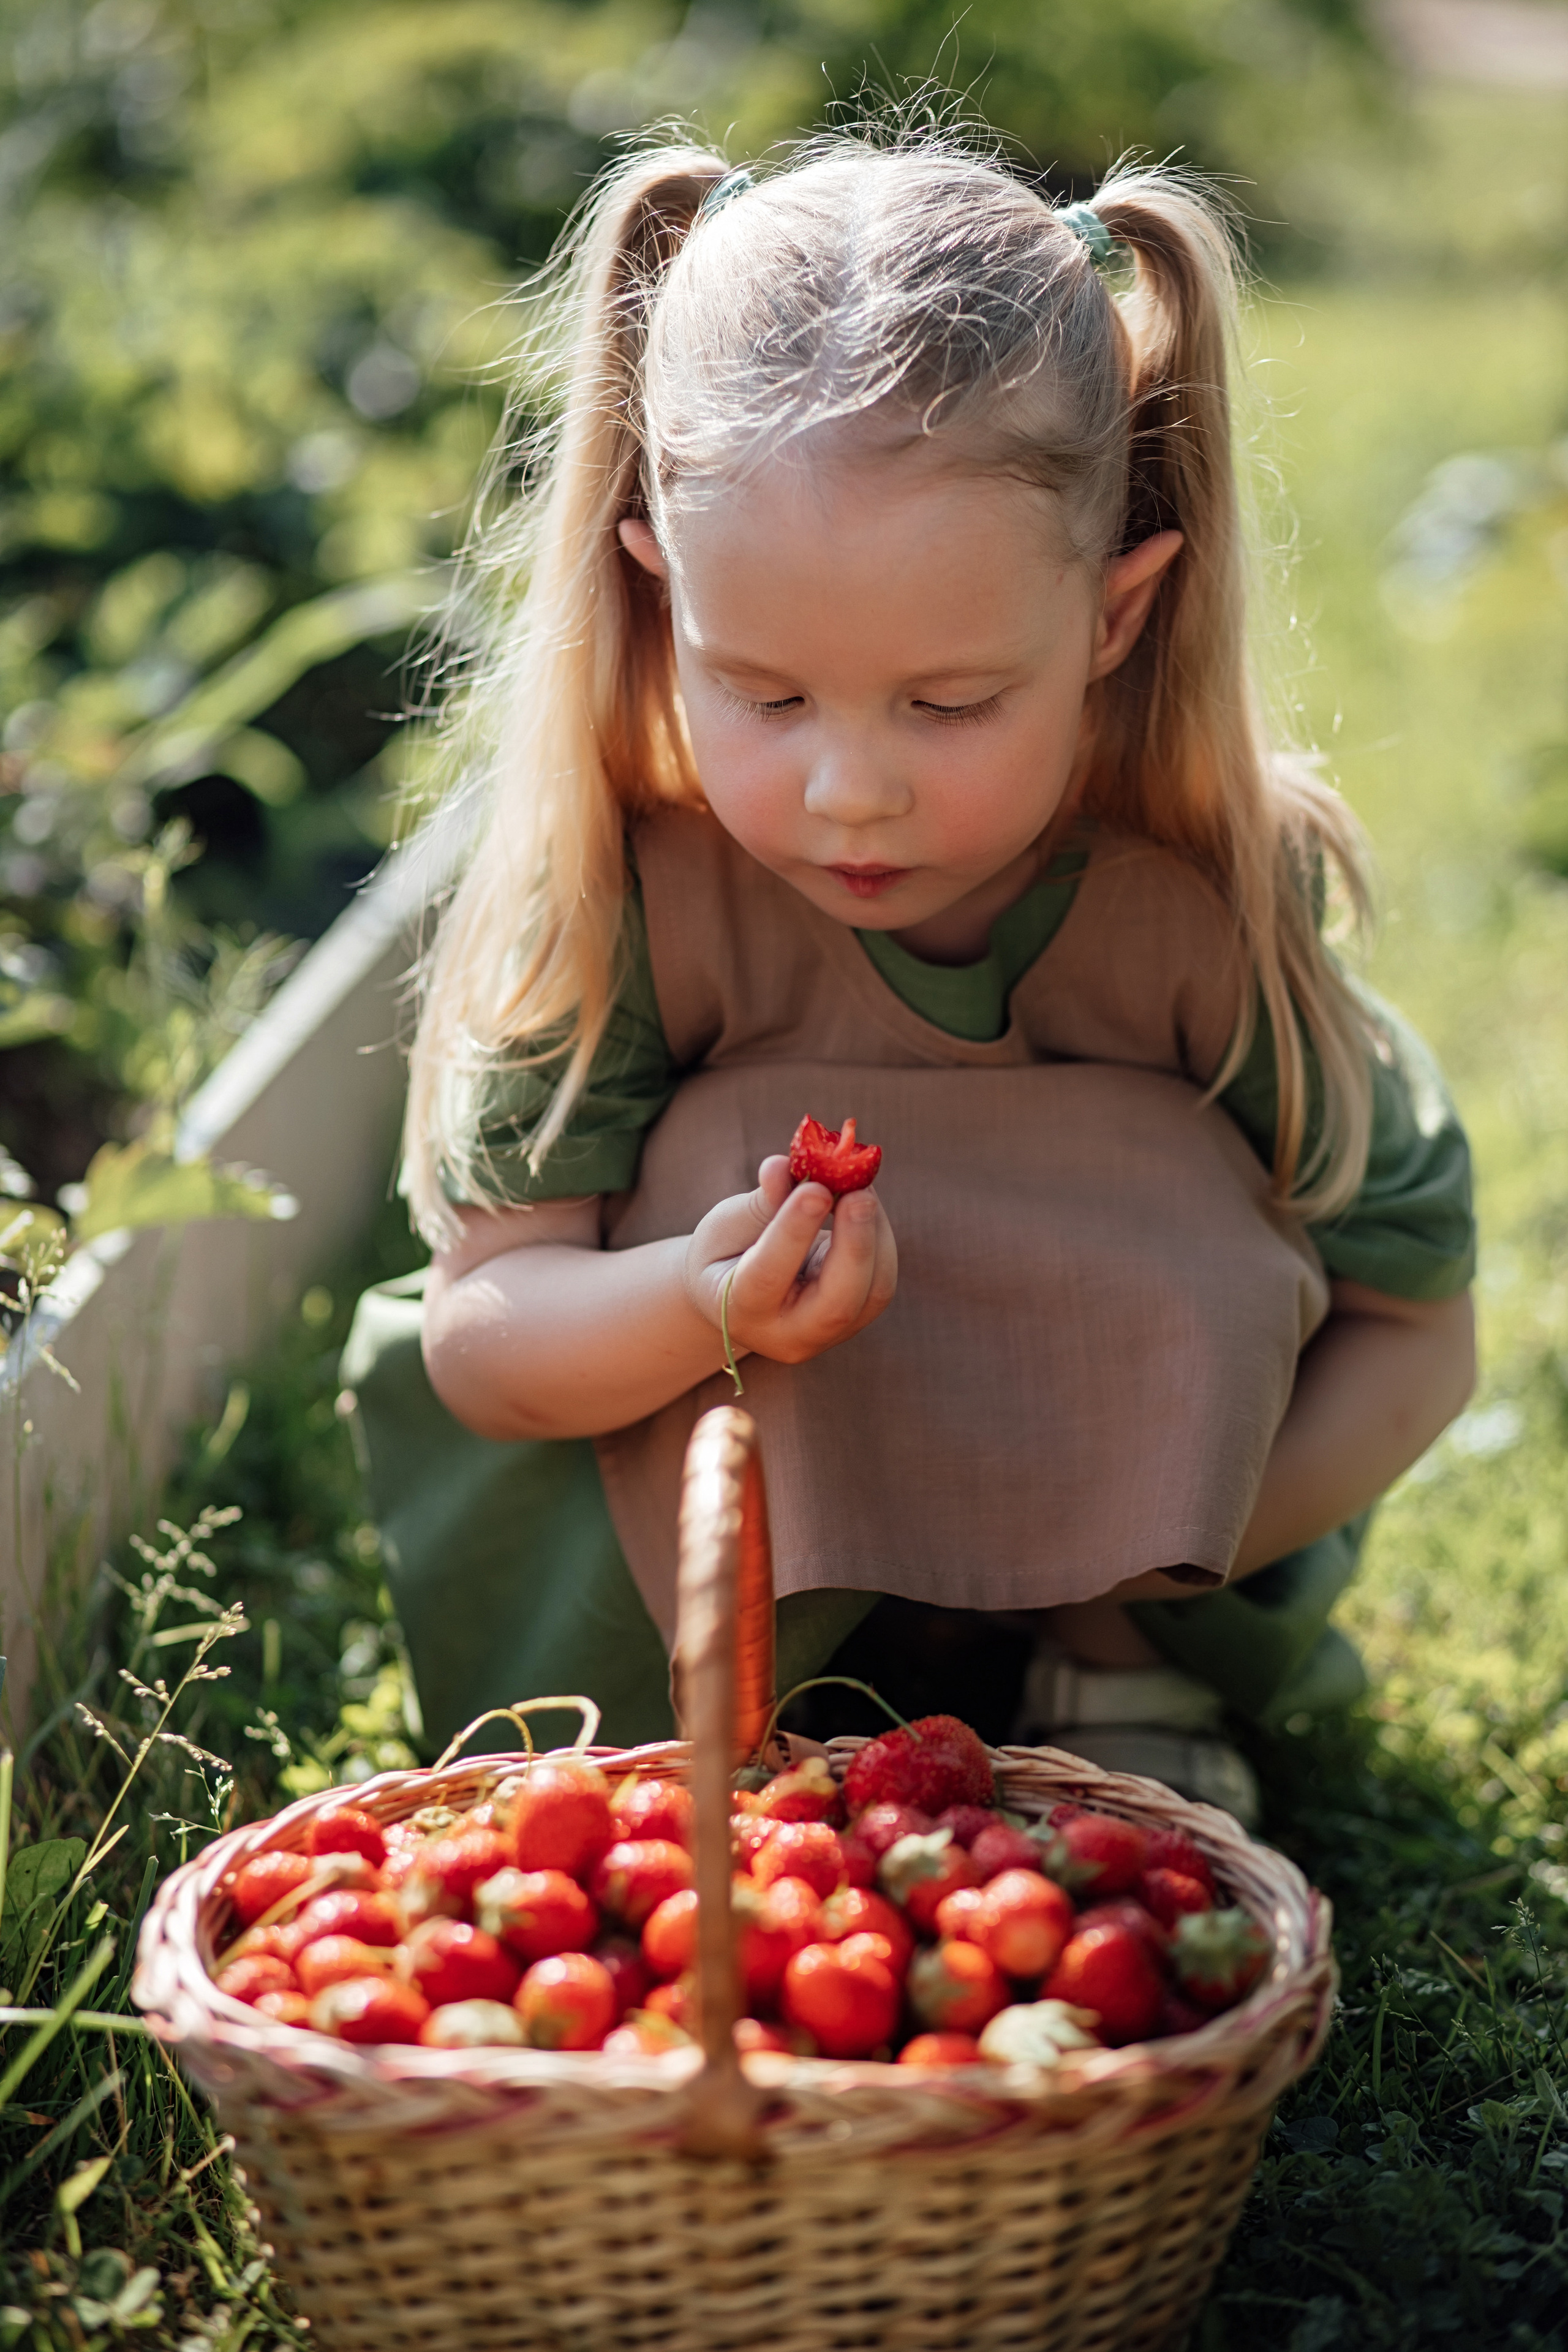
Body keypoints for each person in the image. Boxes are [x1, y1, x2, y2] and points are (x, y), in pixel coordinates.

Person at [342, 132, 1476, 1824]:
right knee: (698, 1159)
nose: (847, 791)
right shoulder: (630, 893)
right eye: (767, 694)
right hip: (727, 1583)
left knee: (1177, 1173)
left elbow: (1420, 1327)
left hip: (1122, 1572)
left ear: (1114, 616)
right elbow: (488, 1329)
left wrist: (1164, 1528)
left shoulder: (1203, 906)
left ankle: (1113, 1667)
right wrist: (697, 1302)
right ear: (661, 596)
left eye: (946, 706)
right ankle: (741, 1722)